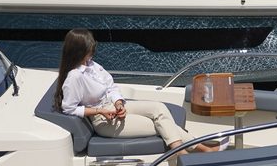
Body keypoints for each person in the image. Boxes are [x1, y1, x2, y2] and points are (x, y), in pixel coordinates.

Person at [55, 29, 217, 155]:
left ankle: (195, 150)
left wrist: (118, 103)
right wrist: (101, 111)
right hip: (103, 121)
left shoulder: (91, 65)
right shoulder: (74, 77)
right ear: (78, 51)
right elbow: (69, 108)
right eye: (89, 50)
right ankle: (188, 152)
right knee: (159, 124)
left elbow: (110, 87)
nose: (92, 52)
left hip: (111, 107)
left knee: (159, 108)